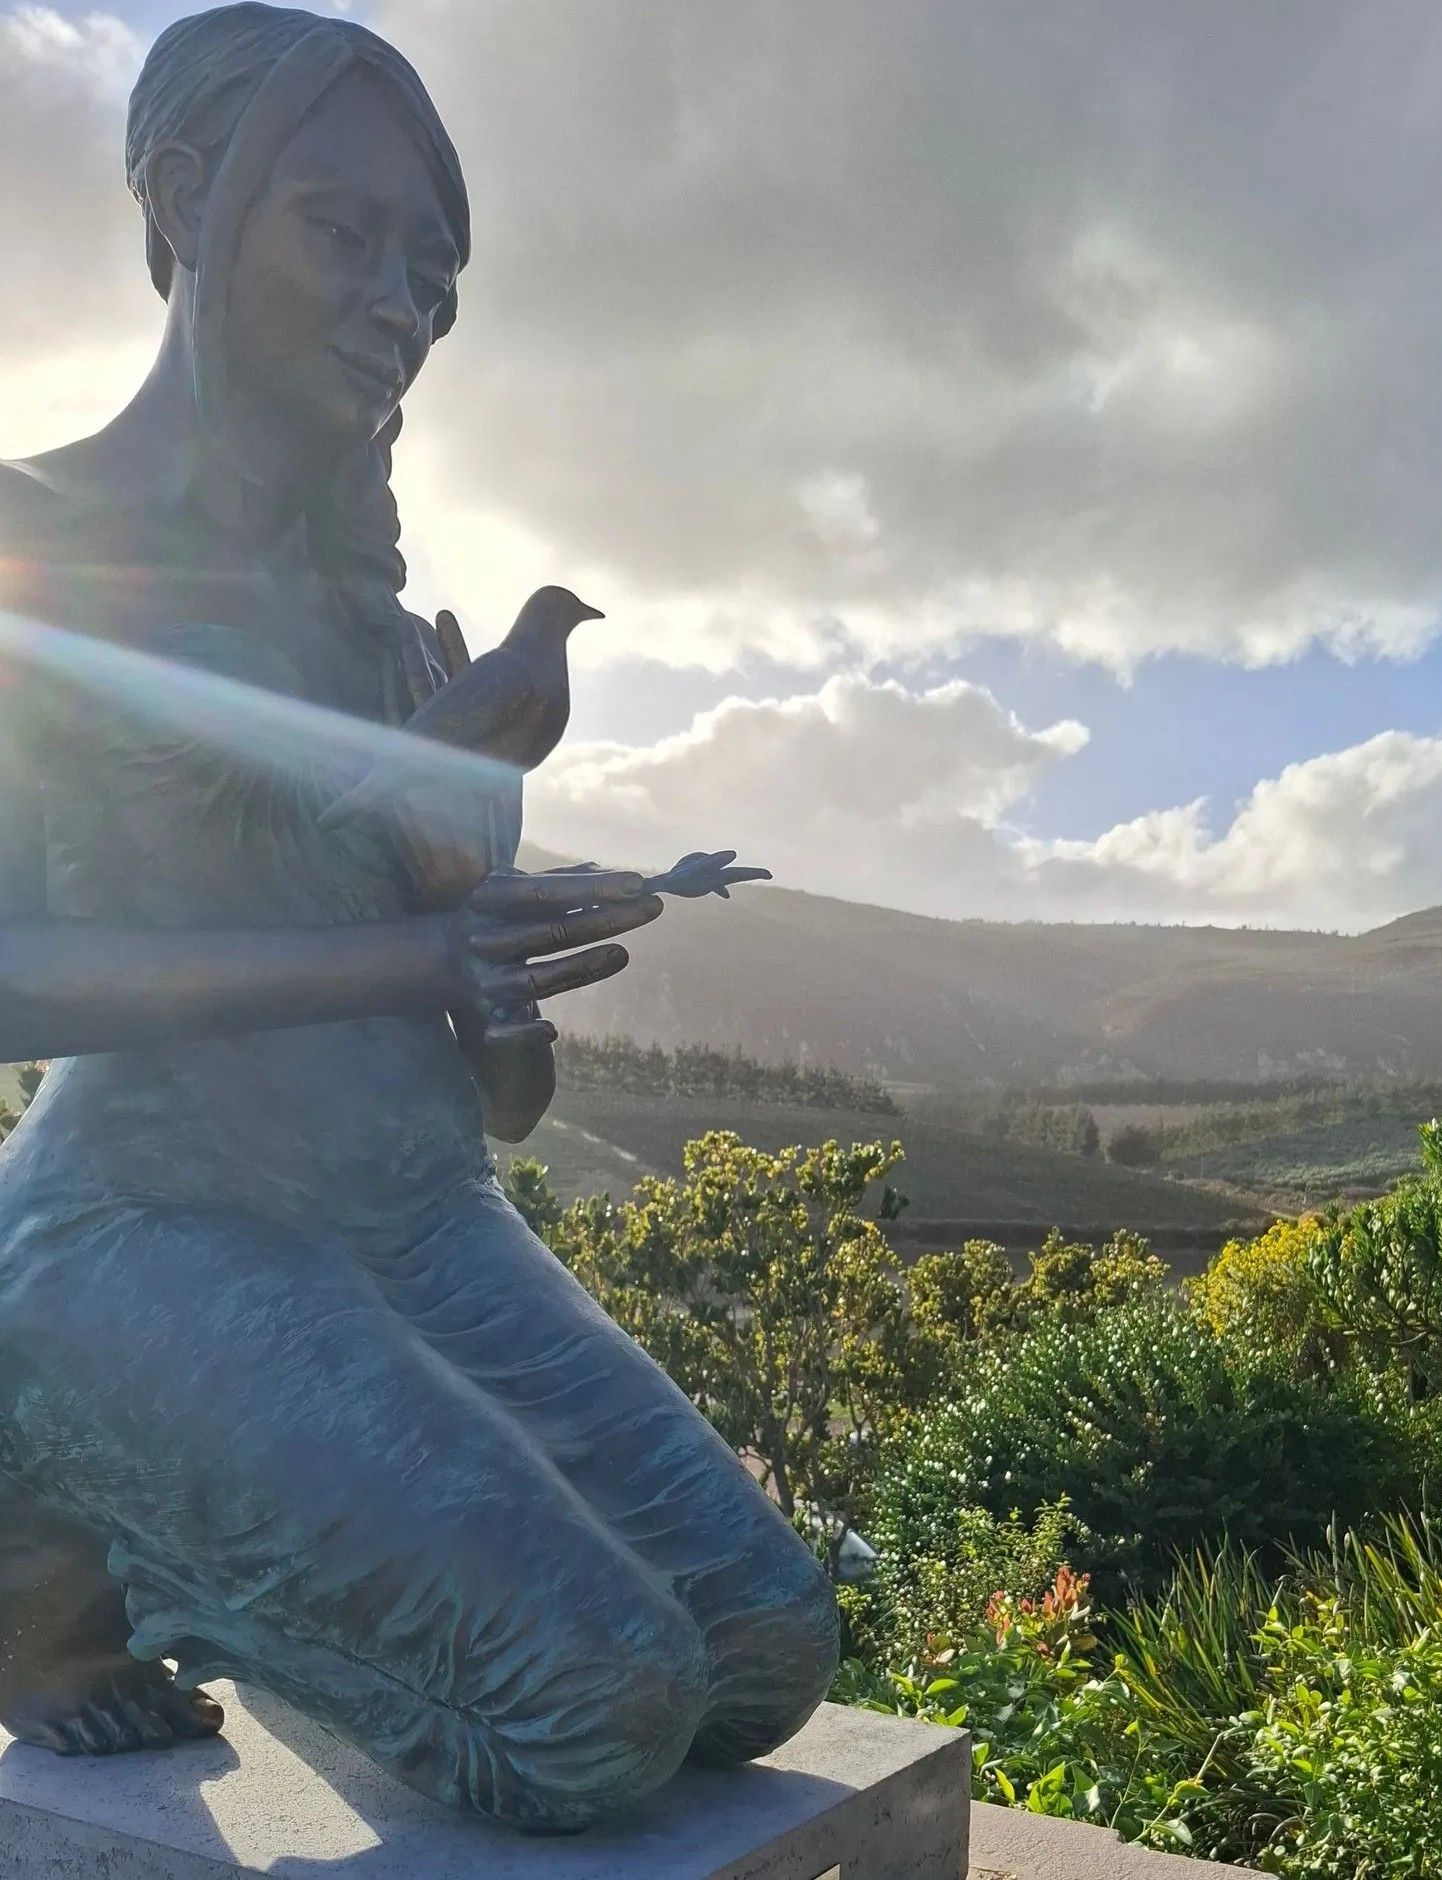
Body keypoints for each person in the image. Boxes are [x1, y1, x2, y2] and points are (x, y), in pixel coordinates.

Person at [0, 4, 837, 1833]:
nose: (401, 304)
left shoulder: (388, 637)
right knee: (595, 1706)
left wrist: (501, 995)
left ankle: (234, 1535)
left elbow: (497, 1096)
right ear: (189, 196)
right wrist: (402, 953)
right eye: (346, 232)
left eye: (434, 277)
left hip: (406, 1210)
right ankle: (77, 1518)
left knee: (769, 1651)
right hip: (149, 1226)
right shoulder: (28, 547)